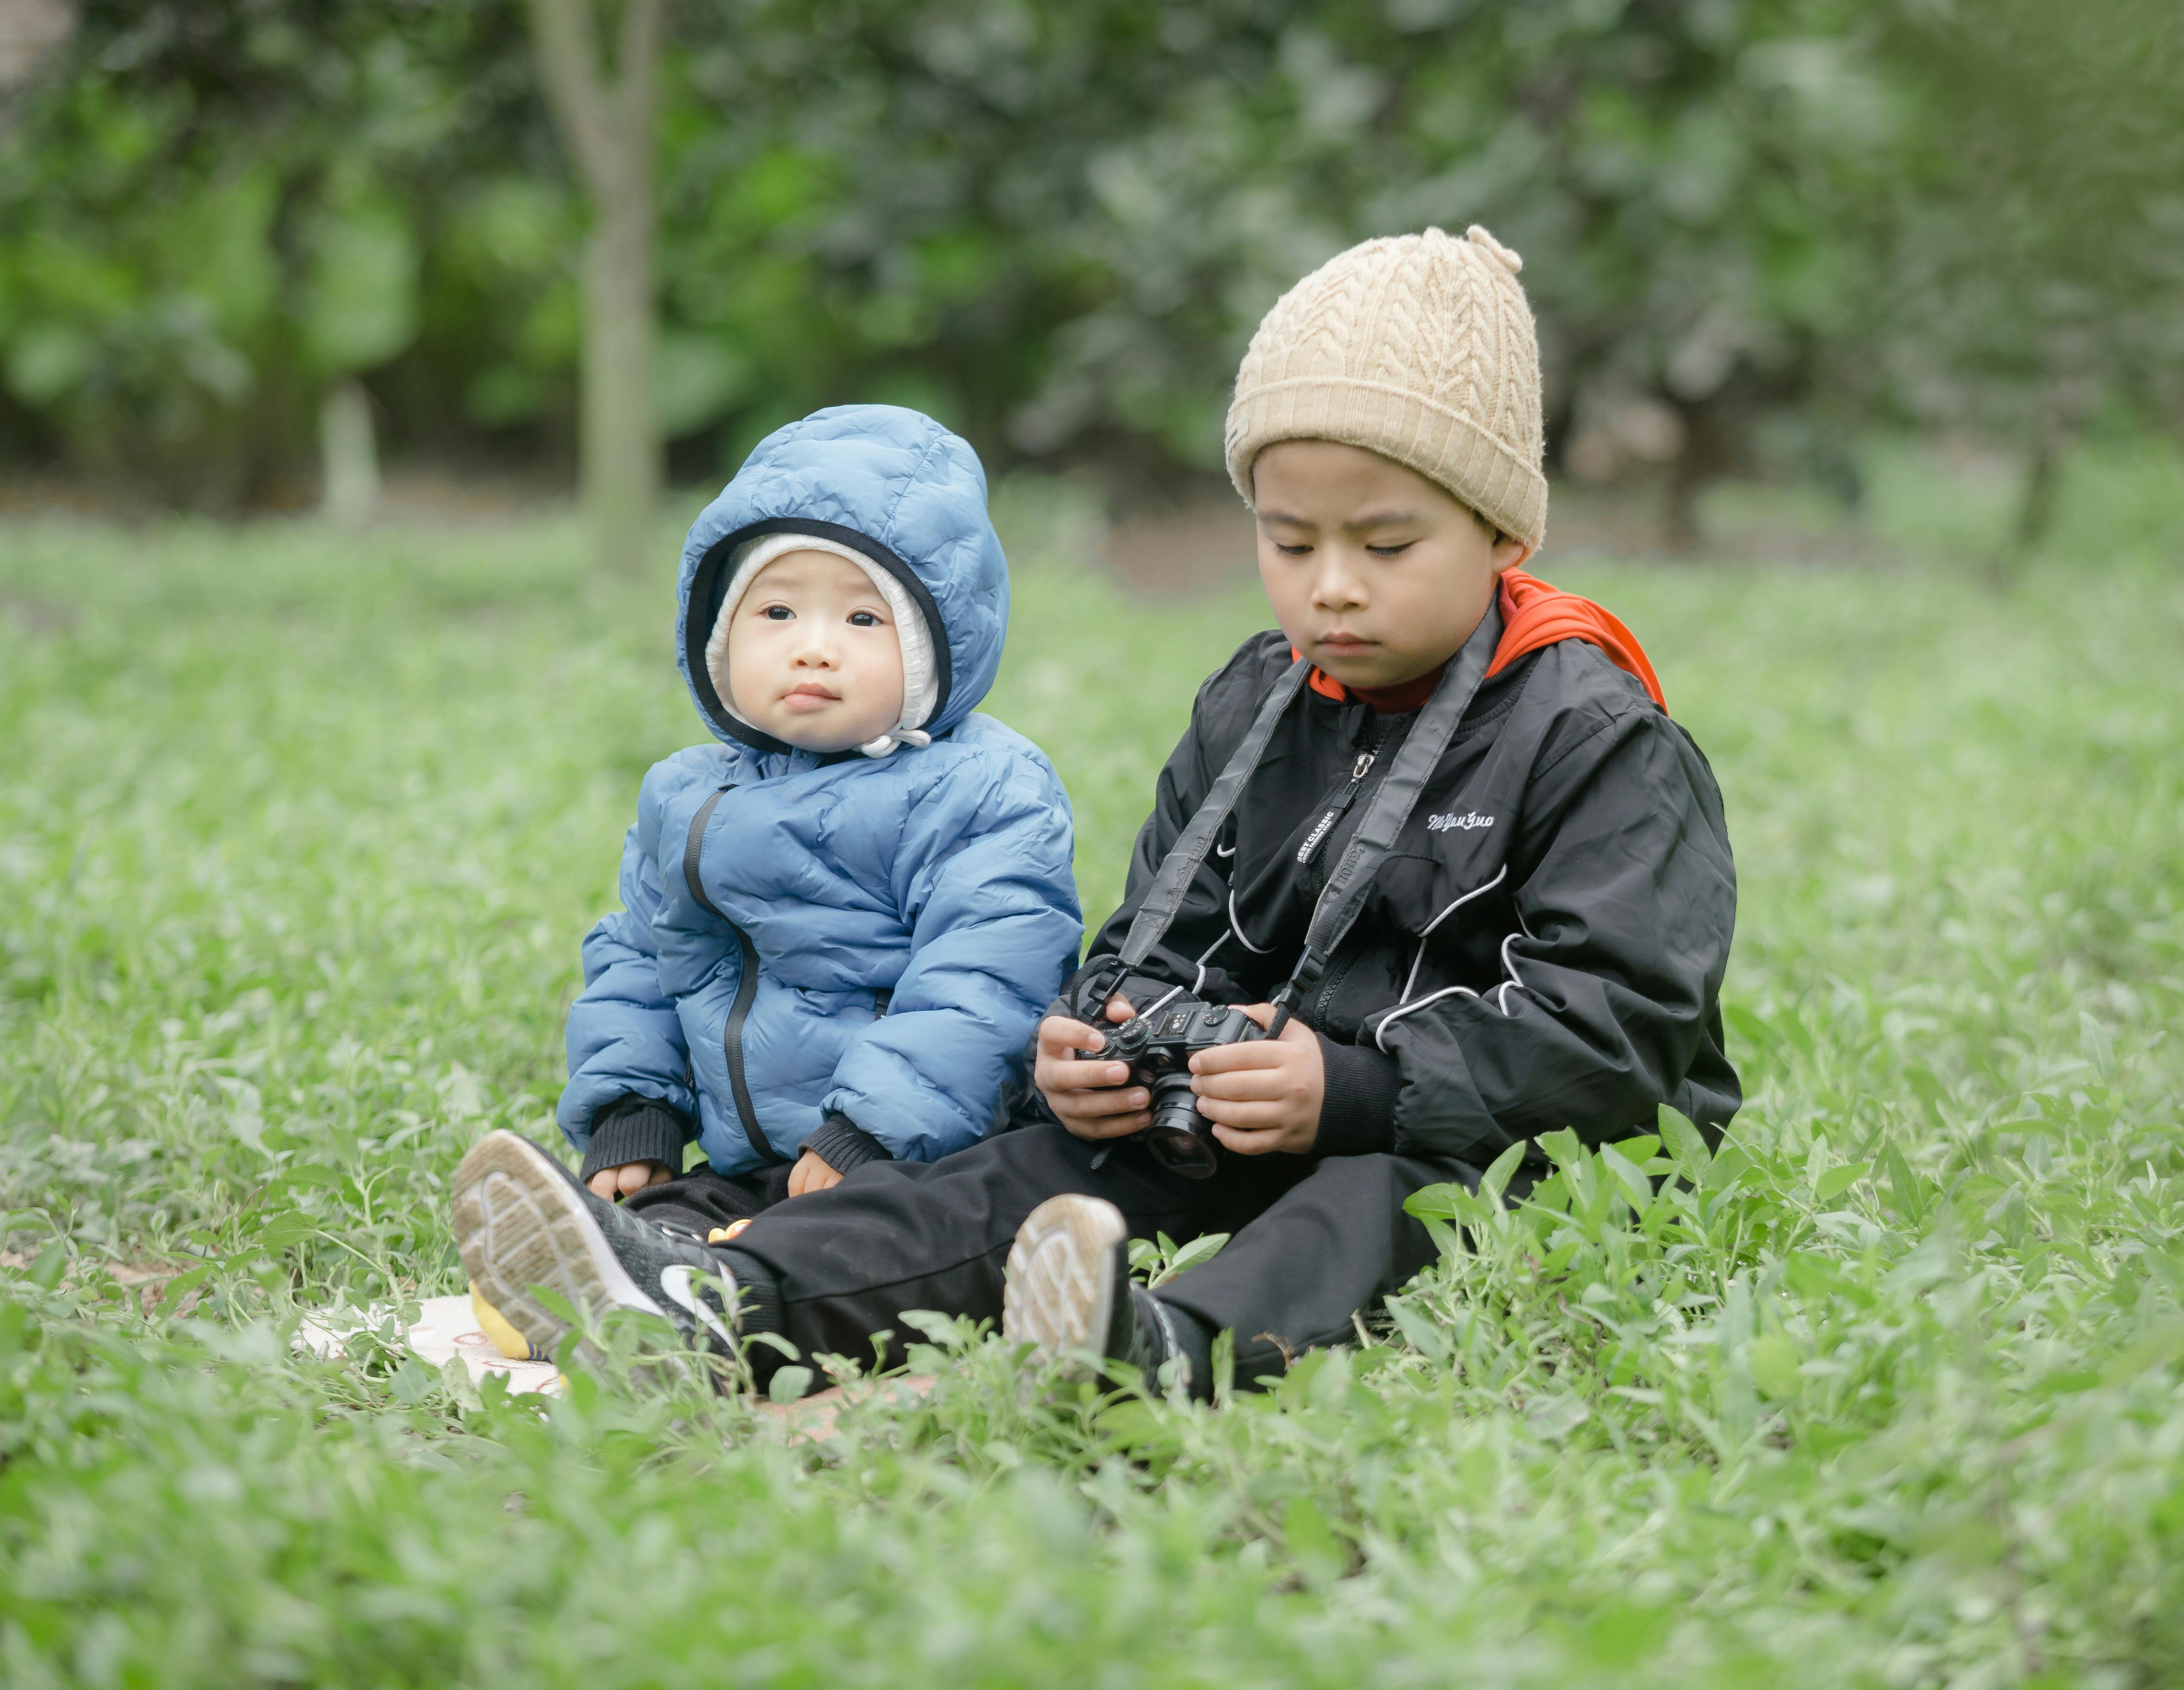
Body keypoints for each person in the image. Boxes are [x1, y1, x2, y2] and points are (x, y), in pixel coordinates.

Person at [454, 229, 1738, 1395]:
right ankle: (717, 1297)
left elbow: (1622, 1034)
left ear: (1504, 530)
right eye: (1291, 543)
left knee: (1382, 1202)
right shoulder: (1257, 702)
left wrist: (1354, 1091)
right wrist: (1092, 1039)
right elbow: (1156, 941)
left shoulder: (1594, 735)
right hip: (1262, 1097)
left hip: (1511, 1138)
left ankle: (1160, 1352)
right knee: (1021, 1165)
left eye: (1386, 547)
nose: (1332, 588)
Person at [453, 404, 1083, 1351]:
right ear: (718, 633)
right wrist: (634, 1110)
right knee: (689, 1211)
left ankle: (701, 1296)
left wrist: (868, 1131)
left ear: (936, 645)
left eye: (864, 617)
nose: (813, 645)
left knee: (849, 1238)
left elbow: (986, 979)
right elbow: (644, 955)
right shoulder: (688, 792)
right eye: (777, 610)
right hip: (753, 1154)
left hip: (916, 1151)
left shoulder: (982, 788)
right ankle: (627, 1267)